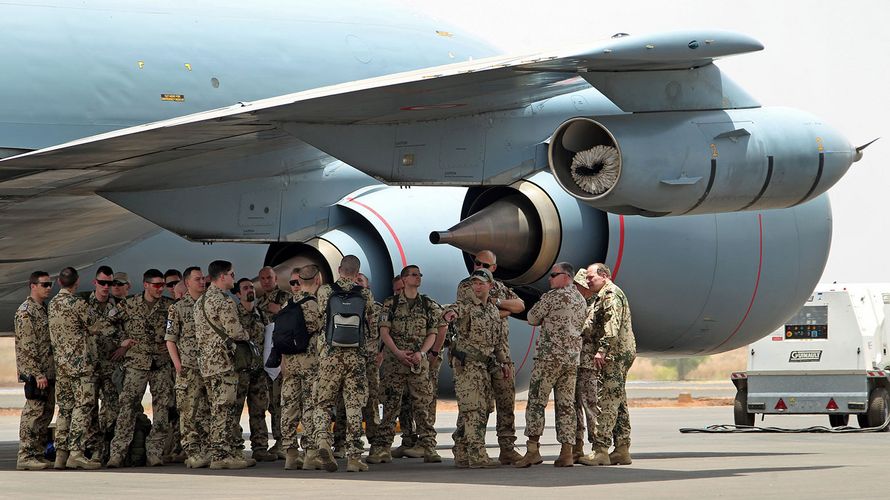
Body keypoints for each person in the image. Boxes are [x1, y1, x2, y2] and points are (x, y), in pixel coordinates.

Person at [454, 250, 525, 464]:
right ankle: (465, 447)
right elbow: (479, 310)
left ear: (494, 267)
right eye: (477, 262)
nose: (480, 266)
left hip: (500, 353)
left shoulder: (499, 286)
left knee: (505, 402)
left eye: (485, 264)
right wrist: (500, 307)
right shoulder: (469, 284)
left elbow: (520, 306)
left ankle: (507, 447)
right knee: (474, 403)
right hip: (477, 355)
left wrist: (495, 303)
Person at [514, 262, 586, 468]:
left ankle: (533, 450)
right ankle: (566, 452)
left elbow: (531, 318)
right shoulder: (580, 299)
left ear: (566, 277)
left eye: (553, 275)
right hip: (571, 360)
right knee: (566, 406)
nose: (549, 278)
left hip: (549, 359)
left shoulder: (553, 297)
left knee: (537, 402)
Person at [372, 265, 445, 464]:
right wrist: (397, 352)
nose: (418, 277)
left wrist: (422, 353)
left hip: (417, 365)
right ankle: (382, 448)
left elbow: (433, 332)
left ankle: (429, 447)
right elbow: (384, 332)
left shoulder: (427, 304)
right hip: (395, 364)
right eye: (413, 275)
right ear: (404, 280)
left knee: (422, 406)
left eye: (419, 274)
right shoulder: (391, 304)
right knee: (390, 406)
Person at [310, 255, 374, 473]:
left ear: (339, 269)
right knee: (354, 406)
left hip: (330, 355)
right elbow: (371, 321)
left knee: (323, 403)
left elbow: (319, 317)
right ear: (357, 273)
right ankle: (355, 457)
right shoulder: (365, 294)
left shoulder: (325, 292)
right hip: (355, 358)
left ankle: (322, 443)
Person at [107, 269, 176, 468]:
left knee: (162, 409)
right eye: (156, 285)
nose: (160, 288)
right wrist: (122, 341)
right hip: (136, 364)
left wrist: (172, 343)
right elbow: (103, 326)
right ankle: (118, 453)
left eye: (162, 285)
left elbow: (183, 328)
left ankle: (154, 453)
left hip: (160, 364)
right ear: (145, 285)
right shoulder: (129, 305)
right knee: (127, 408)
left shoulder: (169, 307)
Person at [442, 268, 508, 469]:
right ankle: (477, 455)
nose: (477, 287)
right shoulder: (466, 306)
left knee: (482, 408)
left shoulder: (492, 311)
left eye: (481, 283)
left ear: (490, 285)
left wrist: (503, 363)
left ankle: (461, 451)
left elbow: (497, 343)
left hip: (485, 366)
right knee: (473, 409)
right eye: (474, 283)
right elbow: (451, 310)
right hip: (467, 365)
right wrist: (449, 314)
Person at [194, 260, 256, 470]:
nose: (233, 278)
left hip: (208, 365)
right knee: (225, 409)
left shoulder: (200, 302)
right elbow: (235, 331)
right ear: (222, 277)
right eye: (231, 274)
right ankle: (221, 455)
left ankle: (224, 451)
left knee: (216, 408)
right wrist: (249, 336)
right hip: (224, 363)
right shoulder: (225, 302)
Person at [579, 263, 636, 466]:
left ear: (604, 276)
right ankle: (622, 448)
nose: (587, 280)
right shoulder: (602, 295)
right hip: (619, 352)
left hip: (615, 354)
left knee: (608, 400)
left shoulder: (610, 294)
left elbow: (612, 325)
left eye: (591, 277)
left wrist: (602, 349)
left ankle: (601, 449)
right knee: (618, 400)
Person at [48, 267, 102, 470]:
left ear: (60, 283)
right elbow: (95, 326)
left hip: (61, 366)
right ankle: (76, 453)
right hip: (81, 366)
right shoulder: (77, 303)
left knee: (65, 409)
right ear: (77, 282)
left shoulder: (52, 304)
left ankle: (60, 455)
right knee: (83, 406)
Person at [165, 266, 212, 468]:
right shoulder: (177, 308)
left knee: (206, 411)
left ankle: (207, 450)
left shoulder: (209, 305)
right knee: (188, 411)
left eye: (203, 279)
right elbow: (170, 339)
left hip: (209, 367)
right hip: (188, 368)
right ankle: (192, 452)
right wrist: (178, 365)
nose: (202, 282)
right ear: (187, 283)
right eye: (197, 279)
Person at [80, 265, 126, 463]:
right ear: (95, 283)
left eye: (110, 283)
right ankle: (93, 449)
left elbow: (127, 331)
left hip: (109, 366)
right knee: (88, 409)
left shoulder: (118, 306)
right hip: (89, 366)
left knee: (112, 408)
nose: (106, 287)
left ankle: (107, 449)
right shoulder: (82, 304)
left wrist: (123, 348)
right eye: (103, 283)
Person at [278, 265, 322, 470]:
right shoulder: (312, 303)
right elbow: (315, 328)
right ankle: (311, 453)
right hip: (309, 361)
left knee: (288, 406)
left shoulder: (288, 303)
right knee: (310, 406)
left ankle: (290, 453)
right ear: (317, 280)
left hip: (289, 361)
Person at [14, 271, 56, 470]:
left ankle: (37, 453)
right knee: (33, 414)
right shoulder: (26, 311)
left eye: (50, 284)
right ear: (33, 286)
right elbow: (27, 345)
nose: (49, 288)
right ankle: (26, 455)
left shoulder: (42, 309)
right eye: (45, 285)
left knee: (45, 414)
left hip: (48, 372)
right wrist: (36, 373)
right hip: (36, 374)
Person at [233, 278, 275, 461]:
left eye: (251, 287)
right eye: (245, 288)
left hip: (258, 372)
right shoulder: (233, 314)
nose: (250, 290)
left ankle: (260, 447)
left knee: (259, 411)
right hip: (240, 371)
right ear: (238, 294)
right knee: (235, 411)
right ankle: (236, 446)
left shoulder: (261, 314)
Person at [256, 266, 291, 458]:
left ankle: (283, 441)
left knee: (281, 402)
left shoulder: (285, 299)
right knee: (270, 402)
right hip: (266, 359)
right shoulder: (259, 302)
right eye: (262, 278)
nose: (266, 281)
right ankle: (277, 439)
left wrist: (279, 312)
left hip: (281, 358)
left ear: (276, 278)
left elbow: (293, 320)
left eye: (269, 278)